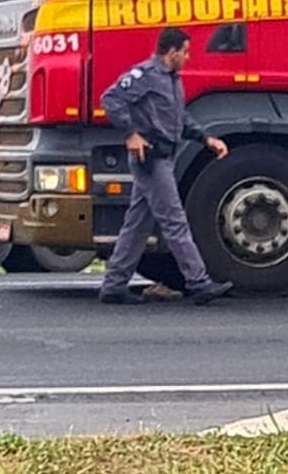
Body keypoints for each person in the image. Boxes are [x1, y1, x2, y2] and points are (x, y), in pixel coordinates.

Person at [97, 28, 234, 306]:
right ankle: (198, 283)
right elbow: (110, 99)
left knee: (136, 226)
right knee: (175, 222)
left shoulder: (172, 81)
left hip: (164, 156)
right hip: (151, 159)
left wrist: (206, 138)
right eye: (185, 51)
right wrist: (130, 134)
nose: (188, 56)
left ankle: (114, 286)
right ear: (171, 52)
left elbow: (180, 119)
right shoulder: (145, 76)